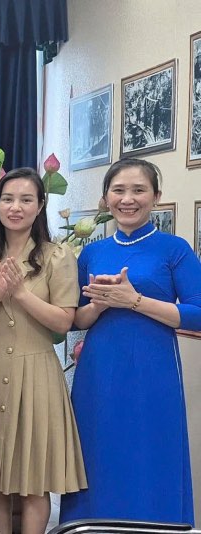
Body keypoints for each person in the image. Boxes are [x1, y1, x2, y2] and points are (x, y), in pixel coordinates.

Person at [61, 159, 201, 524]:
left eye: (139, 190)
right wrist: (101, 304)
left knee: (149, 452)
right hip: (99, 369)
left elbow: (198, 313)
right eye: (118, 190)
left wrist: (134, 300)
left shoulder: (174, 249)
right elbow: (75, 318)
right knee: (96, 451)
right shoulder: (92, 252)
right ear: (106, 198)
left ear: (156, 196)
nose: (128, 199)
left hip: (153, 369)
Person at [0, 168, 86, 534]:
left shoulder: (56, 256)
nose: (16, 207)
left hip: (36, 373)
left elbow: (63, 322)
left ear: (40, 206)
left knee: (34, 480)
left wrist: (21, 294)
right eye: (8, 199)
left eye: (26, 200)